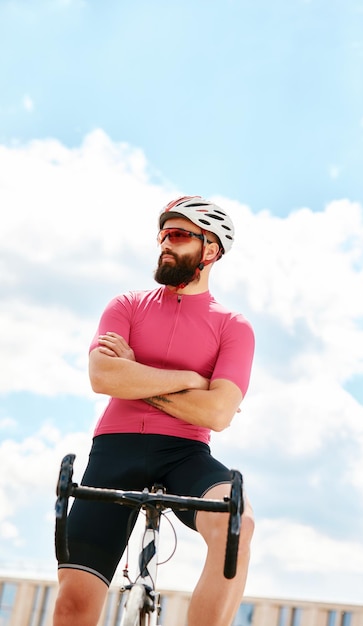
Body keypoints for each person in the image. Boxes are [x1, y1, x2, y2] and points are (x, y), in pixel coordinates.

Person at [53, 195, 255, 626]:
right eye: (163, 234)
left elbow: (218, 412)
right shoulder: (126, 305)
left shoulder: (232, 326)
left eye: (179, 235)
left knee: (239, 523)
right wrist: (192, 378)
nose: (165, 243)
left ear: (211, 250)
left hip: (186, 454)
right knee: (72, 608)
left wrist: (137, 376)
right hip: (115, 450)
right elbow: (104, 377)